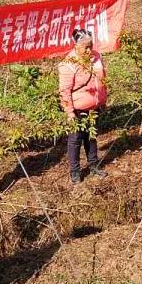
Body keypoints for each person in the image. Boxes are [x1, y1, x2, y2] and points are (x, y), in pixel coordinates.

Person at [58, 29, 110, 185]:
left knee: (91, 136)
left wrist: (103, 99)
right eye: (85, 47)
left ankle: (93, 165)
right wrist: (70, 113)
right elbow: (64, 91)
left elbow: (103, 79)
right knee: (75, 139)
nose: (89, 50)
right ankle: (75, 172)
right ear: (76, 46)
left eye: (90, 46)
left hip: (94, 106)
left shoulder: (96, 57)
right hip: (78, 108)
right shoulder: (68, 64)